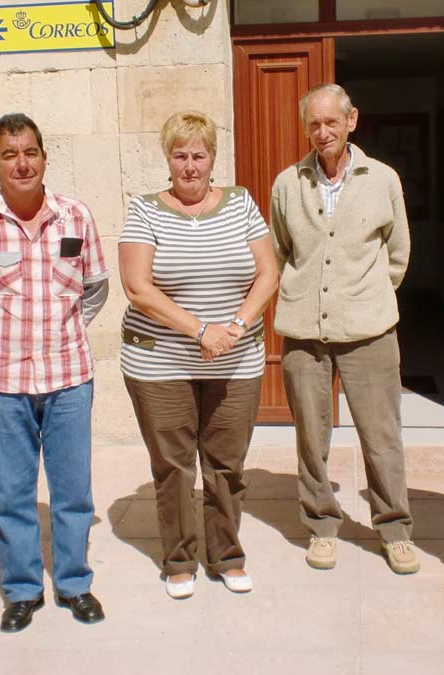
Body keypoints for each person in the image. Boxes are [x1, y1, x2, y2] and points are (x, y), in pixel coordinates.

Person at [0, 113, 109, 631]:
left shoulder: (75, 217)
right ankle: (21, 590)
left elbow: (95, 288)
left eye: (30, 152)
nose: (22, 163)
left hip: (69, 376)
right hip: (4, 382)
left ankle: (74, 583)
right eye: (10, 154)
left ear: (44, 157)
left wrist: (61, 328)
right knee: (12, 493)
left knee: (73, 491)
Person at [118, 111, 278, 599]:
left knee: (226, 464)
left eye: (199, 155)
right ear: (168, 159)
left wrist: (236, 326)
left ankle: (226, 555)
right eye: (180, 155)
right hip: (160, 363)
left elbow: (268, 273)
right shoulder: (144, 210)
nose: (190, 166)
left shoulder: (241, 203)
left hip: (236, 359)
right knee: (174, 467)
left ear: (213, 158)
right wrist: (201, 331)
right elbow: (137, 287)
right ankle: (179, 559)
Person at [270, 83, 418, 575]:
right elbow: (280, 251)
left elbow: (397, 253)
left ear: (351, 121)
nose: (322, 132)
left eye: (331, 122)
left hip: (370, 330)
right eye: (313, 123)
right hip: (304, 332)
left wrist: (367, 297)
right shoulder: (287, 184)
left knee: (381, 436)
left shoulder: (383, 179)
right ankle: (321, 525)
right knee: (311, 438)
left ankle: (395, 529)